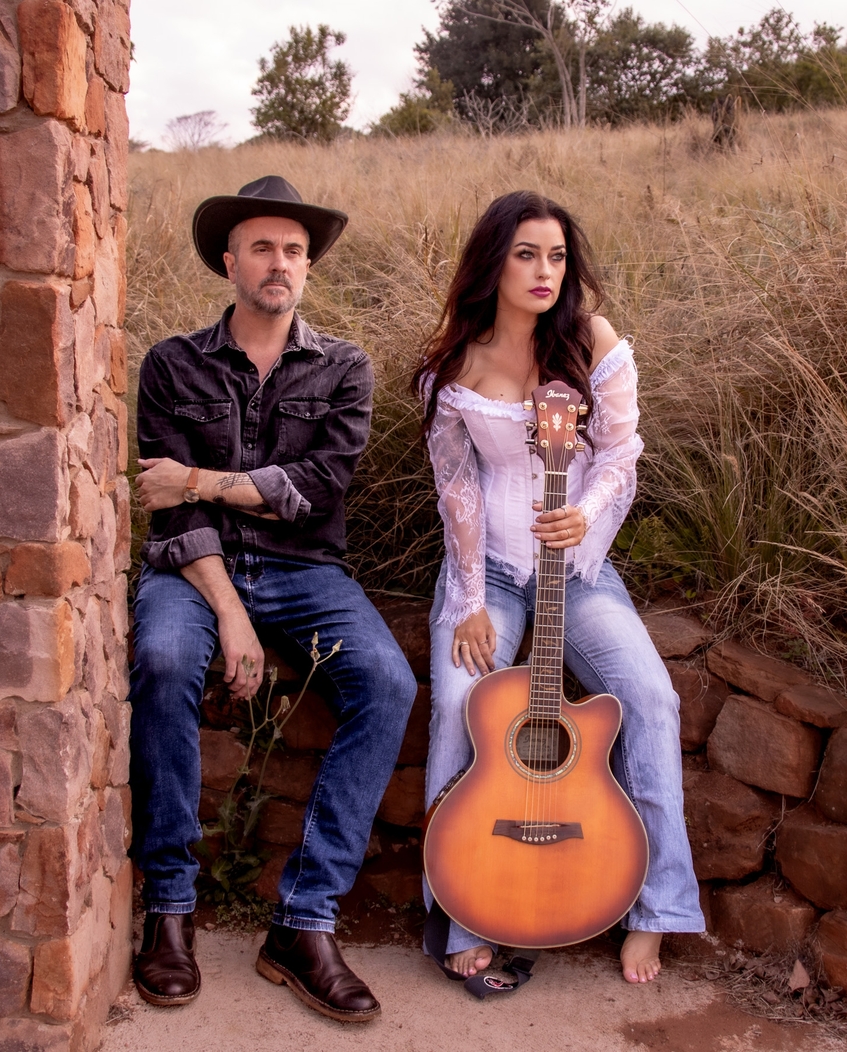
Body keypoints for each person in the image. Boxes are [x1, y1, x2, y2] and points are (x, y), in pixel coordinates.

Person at [130, 175, 417, 1023]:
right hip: (195, 571)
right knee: (164, 657)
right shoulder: (172, 364)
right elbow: (171, 512)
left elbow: (314, 492)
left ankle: (303, 921)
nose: (280, 262)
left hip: (304, 571)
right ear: (229, 262)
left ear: (307, 266)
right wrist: (229, 613)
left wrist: (200, 477)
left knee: (389, 683)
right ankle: (169, 906)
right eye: (262, 247)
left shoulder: (343, 367)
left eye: (294, 250)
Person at [414, 190, 705, 985]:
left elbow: (620, 456)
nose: (545, 271)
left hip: (577, 570)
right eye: (526, 255)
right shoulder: (453, 364)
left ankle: (657, 910)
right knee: (456, 702)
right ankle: (459, 911)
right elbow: (457, 490)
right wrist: (469, 600)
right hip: (489, 572)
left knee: (651, 699)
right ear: (493, 263)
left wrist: (585, 513)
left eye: (557, 256)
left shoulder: (592, 341)